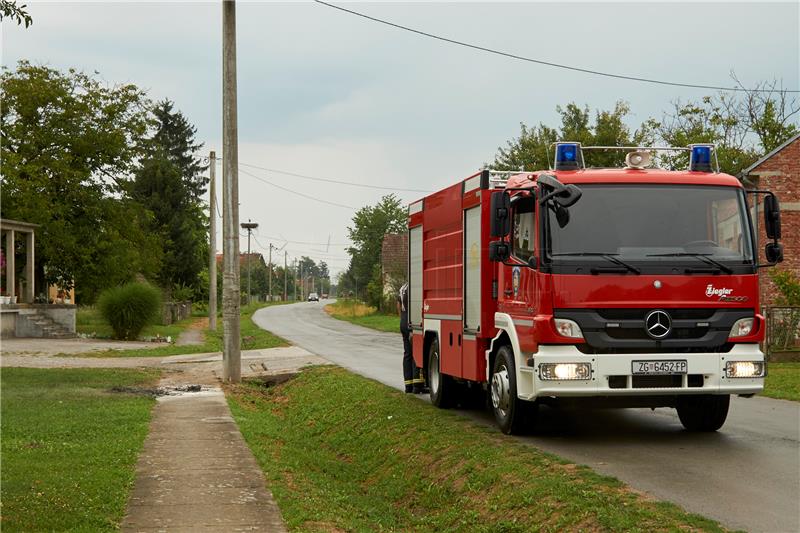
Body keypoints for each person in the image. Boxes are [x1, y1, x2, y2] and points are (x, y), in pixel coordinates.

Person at [398, 282, 426, 393]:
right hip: (411, 322)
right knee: (416, 352)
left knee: (407, 354)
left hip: (403, 321)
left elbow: (398, 306)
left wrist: (403, 321)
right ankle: (417, 385)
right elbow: (414, 305)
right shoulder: (413, 287)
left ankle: (408, 385)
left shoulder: (403, 287)